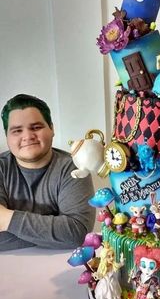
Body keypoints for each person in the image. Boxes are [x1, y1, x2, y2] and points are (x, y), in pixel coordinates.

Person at [0, 94, 95, 251]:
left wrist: (7, 220)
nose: (28, 136)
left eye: (36, 127)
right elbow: (69, 235)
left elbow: (78, 233)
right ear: (7, 137)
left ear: (52, 129)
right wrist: (56, 231)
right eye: (17, 130)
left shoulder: (75, 167)